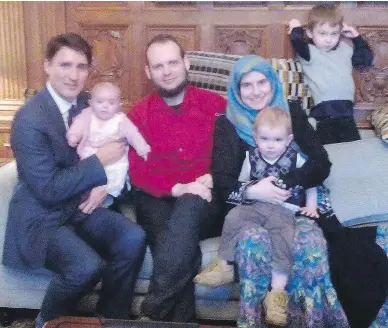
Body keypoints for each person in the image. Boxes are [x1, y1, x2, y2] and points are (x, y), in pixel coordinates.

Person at [2, 33, 146, 328]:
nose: (73, 75)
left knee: (133, 237)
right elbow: (48, 189)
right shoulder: (29, 120)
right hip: (41, 218)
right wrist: (98, 163)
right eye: (65, 65)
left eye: (81, 67)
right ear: (47, 66)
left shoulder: (87, 102)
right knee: (85, 266)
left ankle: (109, 319)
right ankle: (47, 321)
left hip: (78, 206)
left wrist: (103, 181)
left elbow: (115, 145)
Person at [208, 54, 352, 327]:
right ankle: (256, 320)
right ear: (236, 90)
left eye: (262, 82)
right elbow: (223, 182)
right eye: (246, 85)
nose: (256, 91)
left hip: (293, 206)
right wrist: (254, 191)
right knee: (253, 242)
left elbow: (321, 163)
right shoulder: (226, 124)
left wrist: (288, 183)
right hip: (249, 209)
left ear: (273, 82)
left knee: (309, 243)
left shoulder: (292, 114)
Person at [125, 34, 227, 322]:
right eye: (158, 66)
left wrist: (213, 176)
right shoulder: (138, 114)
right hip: (157, 199)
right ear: (148, 72)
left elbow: (233, 153)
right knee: (174, 245)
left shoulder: (215, 105)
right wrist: (178, 187)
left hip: (205, 201)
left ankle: (151, 312)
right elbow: (137, 171)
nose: (167, 71)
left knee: (190, 206)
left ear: (186, 63)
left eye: (172, 62)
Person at [195, 107, 319, 326]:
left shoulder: (295, 158)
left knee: (283, 240)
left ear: (289, 139)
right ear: (255, 138)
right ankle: (224, 265)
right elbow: (242, 184)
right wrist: (247, 192)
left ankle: (277, 294)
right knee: (233, 217)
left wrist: (311, 205)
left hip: (283, 209)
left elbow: (311, 181)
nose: (271, 144)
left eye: (277, 139)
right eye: (264, 139)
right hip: (254, 205)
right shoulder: (250, 157)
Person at [288, 4, 373, 145]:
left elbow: (364, 60)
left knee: (354, 149)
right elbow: (297, 40)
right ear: (310, 33)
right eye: (322, 33)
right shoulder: (310, 53)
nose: (329, 39)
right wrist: (296, 27)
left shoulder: (345, 50)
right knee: (326, 152)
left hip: (347, 113)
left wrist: (356, 37)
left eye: (334, 34)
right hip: (323, 114)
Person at [67, 82, 151, 207]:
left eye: (111, 103)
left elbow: (133, 134)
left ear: (118, 106)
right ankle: (87, 195)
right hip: (89, 153)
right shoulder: (87, 115)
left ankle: (108, 195)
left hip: (115, 159)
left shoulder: (121, 120)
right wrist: (73, 136)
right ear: (91, 103)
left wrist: (142, 148)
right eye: (100, 102)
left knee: (116, 173)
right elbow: (77, 126)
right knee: (85, 174)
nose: (105, 106)